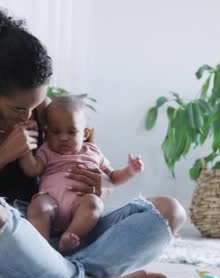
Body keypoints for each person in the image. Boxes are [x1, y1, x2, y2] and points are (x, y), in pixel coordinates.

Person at [0, 8, 187, 278]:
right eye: (18, 109)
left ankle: (46, 276)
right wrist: (2, 155)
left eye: (35, 105)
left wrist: (102, 185)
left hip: (54, 234)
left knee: (169, 212)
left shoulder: (38, 106)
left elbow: (86, 163)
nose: (30, 114)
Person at [20, 96, 145, 253]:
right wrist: (23, 150)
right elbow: (33, 169)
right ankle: (42, 248)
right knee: (38, 206)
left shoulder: (93, 152)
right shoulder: (47, 150)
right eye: (56, 132)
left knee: (94, 204)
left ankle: (70, 237)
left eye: (71, 132)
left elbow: (112, 177)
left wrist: (130, 171)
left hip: (80, 206)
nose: (63, 138)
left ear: (85, 133)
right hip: (50, 200)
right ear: (46, 133)